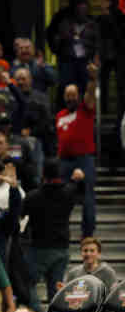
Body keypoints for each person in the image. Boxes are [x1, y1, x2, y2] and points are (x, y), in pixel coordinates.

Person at [22, 160, 85, 312]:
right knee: (56, 290)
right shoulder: (68, 193)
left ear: (43, 176)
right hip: (61, 249)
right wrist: (77, 180)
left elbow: (22, 219)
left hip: (39, 248)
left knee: (27, 284)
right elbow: (80, 192)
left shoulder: (33, 196)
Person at [56, 63, 98, 238]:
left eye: (73, 95)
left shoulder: (86, 109)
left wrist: (93, 79)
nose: (70, 98)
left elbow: (90, 94)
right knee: (61, 199)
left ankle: (87, 235)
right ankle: (60, 232)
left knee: (88, 199)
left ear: (78, 96)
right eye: (67, 95)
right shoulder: (60, 115)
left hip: (84, 159)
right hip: (64, 161)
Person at [62, 237, 118, 312]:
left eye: (92, 251)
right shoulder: (73, 273)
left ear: (98, 253)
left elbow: (113, 300)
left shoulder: (108, 272)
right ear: (81, 253)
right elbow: (68, 302)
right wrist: (63, 294)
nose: (88, 254)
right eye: (85, 250)